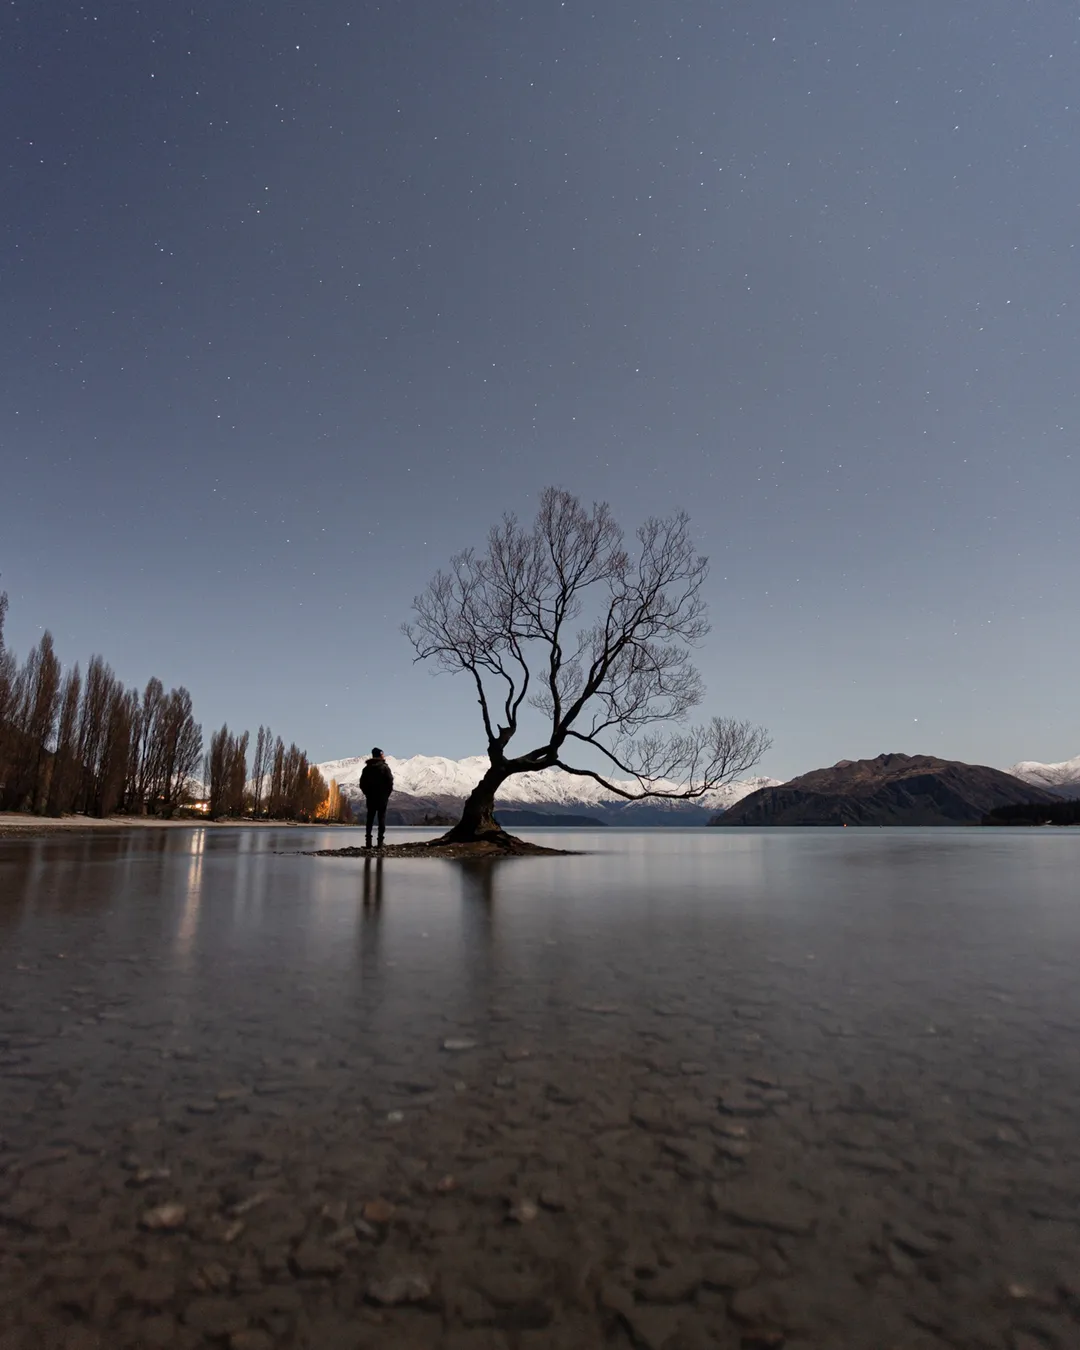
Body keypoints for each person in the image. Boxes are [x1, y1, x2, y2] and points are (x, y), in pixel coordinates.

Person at [359, 747, 394, 849]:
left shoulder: (366, 769)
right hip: (382, 798)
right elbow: (390, 783)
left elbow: (362, 784)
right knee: (381, 819)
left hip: (370, 798)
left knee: (369, 819)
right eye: (382, 754)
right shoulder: (384, 768)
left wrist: (367, 793)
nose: (384, 755)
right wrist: (386, 795)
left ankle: (368, 842)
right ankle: (380, 842)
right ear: (380, 755)